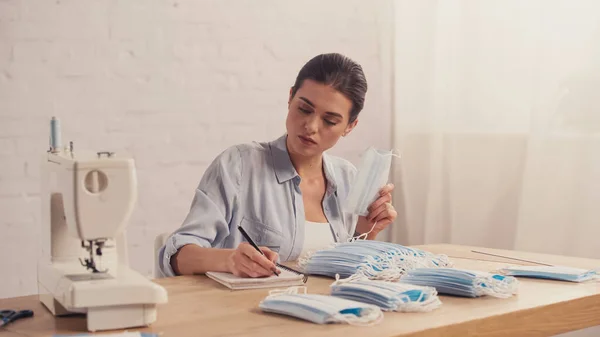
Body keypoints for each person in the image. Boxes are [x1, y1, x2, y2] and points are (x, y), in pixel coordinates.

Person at [157, 53, 397, 278]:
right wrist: (230, 260)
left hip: (326, 316)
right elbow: (176, 256)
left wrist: (366, 231)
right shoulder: (239, 166)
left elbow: (339, 272)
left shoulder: (348, 179)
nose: (311, 126)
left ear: (349, 126)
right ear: (290, 97)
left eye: (329, 121)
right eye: (304, 109)